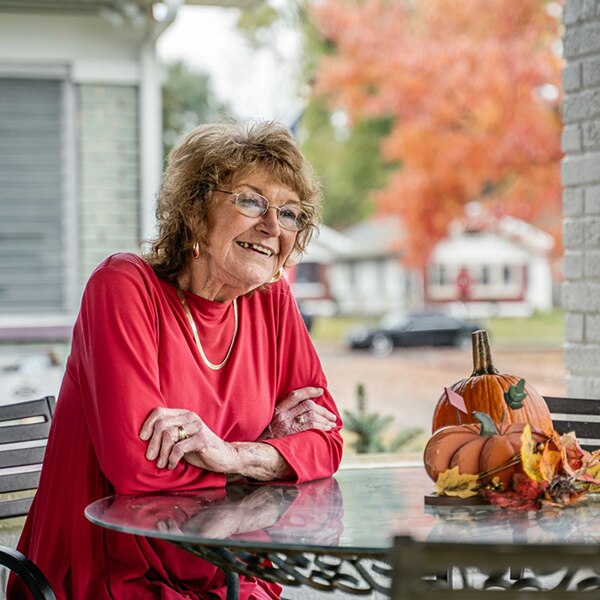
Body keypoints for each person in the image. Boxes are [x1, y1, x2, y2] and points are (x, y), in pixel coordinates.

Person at [8, 120, 343, 599]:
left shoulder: (272, 303)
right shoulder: (123, 287)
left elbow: (327, 441)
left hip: (228, 570)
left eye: (290, 213)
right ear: (196, 208)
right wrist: (271, 455)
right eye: (251, 201)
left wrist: (232, 454)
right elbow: (136, 471)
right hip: (110, 576)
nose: (273, 227)